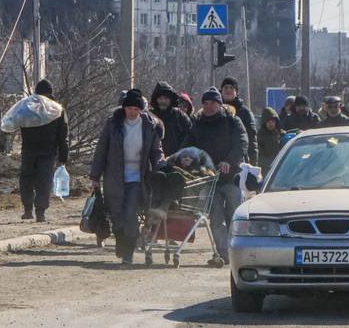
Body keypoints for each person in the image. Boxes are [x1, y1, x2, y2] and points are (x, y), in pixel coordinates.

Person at [89, 89, 166, 264]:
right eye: (129, 108)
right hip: (114, 177)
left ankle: (128, 252)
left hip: (137, 178)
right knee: (116, 215)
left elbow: (156, 151)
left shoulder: (149, 126)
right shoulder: (113, 125)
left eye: (136, 109)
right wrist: (94, 177)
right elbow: (101, 151)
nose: (132, 112)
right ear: (124, 108)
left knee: (130, 213)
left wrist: (161, 166)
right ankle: (121, 242)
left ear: (141, 110)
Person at [182, 87, 248, 264]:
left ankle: (238, 251)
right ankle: (223, 254)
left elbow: (242, 143)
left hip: (231, 177)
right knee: (216, 218)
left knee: (235, 214)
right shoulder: (197, 123)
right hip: (210, 179)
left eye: (212, 103)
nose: (208, 106)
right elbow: (189, 147)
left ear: (220, 104)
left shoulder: (232, 121)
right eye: (205, 103)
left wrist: (230, 161)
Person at [18, 79, 69, 222]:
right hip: (48, 152)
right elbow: (63, 135)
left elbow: (17, 121)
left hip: (28, 150)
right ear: (51, 93)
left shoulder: (28, 107)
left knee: (26, 179)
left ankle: (28, 209)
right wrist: (63, 156)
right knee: (44, 181)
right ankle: (40, 212)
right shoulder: (58, 109)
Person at [221, 77, 258, 164]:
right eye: (226, 87)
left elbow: (252, 141)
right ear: (221, 91)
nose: (228, 90)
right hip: (219, 162)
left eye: (232, 88)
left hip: (240, 162)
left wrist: (253, 165)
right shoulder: (215, 110)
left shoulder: (245, 112)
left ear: (236, 92)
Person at [150, 82, 192, 157]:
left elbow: (189, 138)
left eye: (165, 98)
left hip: (175, 161)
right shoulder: (150, 116)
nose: (163, 101)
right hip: (154, 161)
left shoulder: (179, 116)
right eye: (160, 98)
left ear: (170, 100)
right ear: (156, 99)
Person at [257, 107, 285, 172]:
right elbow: (259, 157)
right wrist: (273, 163)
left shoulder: (282, 134)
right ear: (264, 122)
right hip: (267, 170)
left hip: (282, 168)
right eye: (268, 121)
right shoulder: (260, 136)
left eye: (273, 121)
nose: (271, 124)